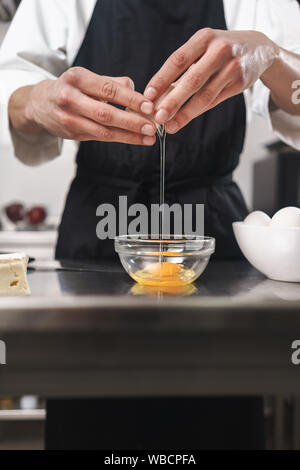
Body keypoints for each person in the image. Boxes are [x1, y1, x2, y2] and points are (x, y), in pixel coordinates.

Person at [1, 0, 300, 450]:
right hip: (96, 230)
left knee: (218, 420)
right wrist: (35, 101)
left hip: (211, 233)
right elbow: (12, 85)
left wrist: (271, 58)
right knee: (90, 424)